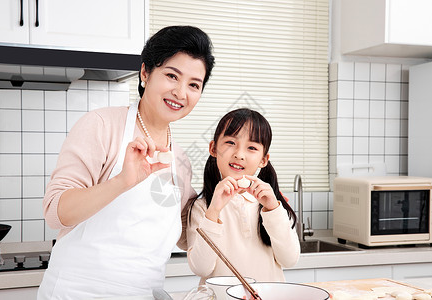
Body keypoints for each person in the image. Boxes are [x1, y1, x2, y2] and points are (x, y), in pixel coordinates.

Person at [37, 25, 215, 299]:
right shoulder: (102, 126)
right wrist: (123, 181)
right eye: (171, 76)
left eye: (194, 84)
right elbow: (55, 212)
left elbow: (186, 233)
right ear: (145, 73)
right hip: (78, 292)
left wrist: (242, 207)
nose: (181, 93)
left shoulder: (179, 158)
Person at [185, 108, 300, 285]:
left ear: (263, 159)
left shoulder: (271, 205)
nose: (239, 154)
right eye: (230, 142)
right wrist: (213, 211)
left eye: (252, 148)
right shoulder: (203, 207)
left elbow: (290, 260)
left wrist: (273, 209)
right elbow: (201, 268)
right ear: (213, 148)